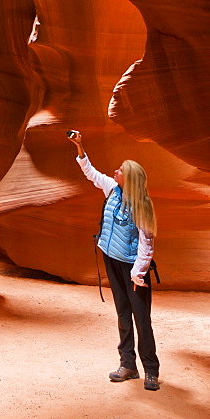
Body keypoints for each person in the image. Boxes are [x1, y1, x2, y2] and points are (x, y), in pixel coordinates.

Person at [68, 130, 160, 391]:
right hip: (112, 260)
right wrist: (80, 147)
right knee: (123, 315)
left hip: (133, 269)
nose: (115, 172)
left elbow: (147, 242)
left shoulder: (142, 205)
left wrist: (138, 273)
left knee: (142, 319)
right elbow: (92, 174)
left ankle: (151, 371)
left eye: (120, 171)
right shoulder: (112, 190)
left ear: (128, 178)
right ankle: (127, 365)